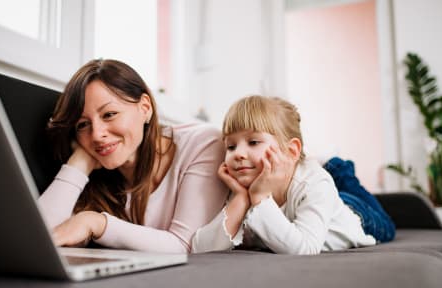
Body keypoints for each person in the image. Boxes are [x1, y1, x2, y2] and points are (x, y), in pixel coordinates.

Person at [38, 59, 229, 253]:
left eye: (109, 114)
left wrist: (97, 223)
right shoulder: (98, 181)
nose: (96, 135)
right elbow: (37, 239)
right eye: (83, 125)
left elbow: (186, 246)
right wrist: (79, 164)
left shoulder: (205, 143)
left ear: (145, 108)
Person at [191, 95, 395, 254]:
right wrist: (241, 198)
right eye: (231, 146)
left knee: (386, 224)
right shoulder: (238, 186)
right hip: (316, 200)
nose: (238, 154)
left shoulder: (314, 183)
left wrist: (260, 197)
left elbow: (304, 248)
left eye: (253, 142)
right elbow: (200, 247)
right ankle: (332, 168)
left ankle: (339, 170)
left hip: (357, 217)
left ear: (291, 150)